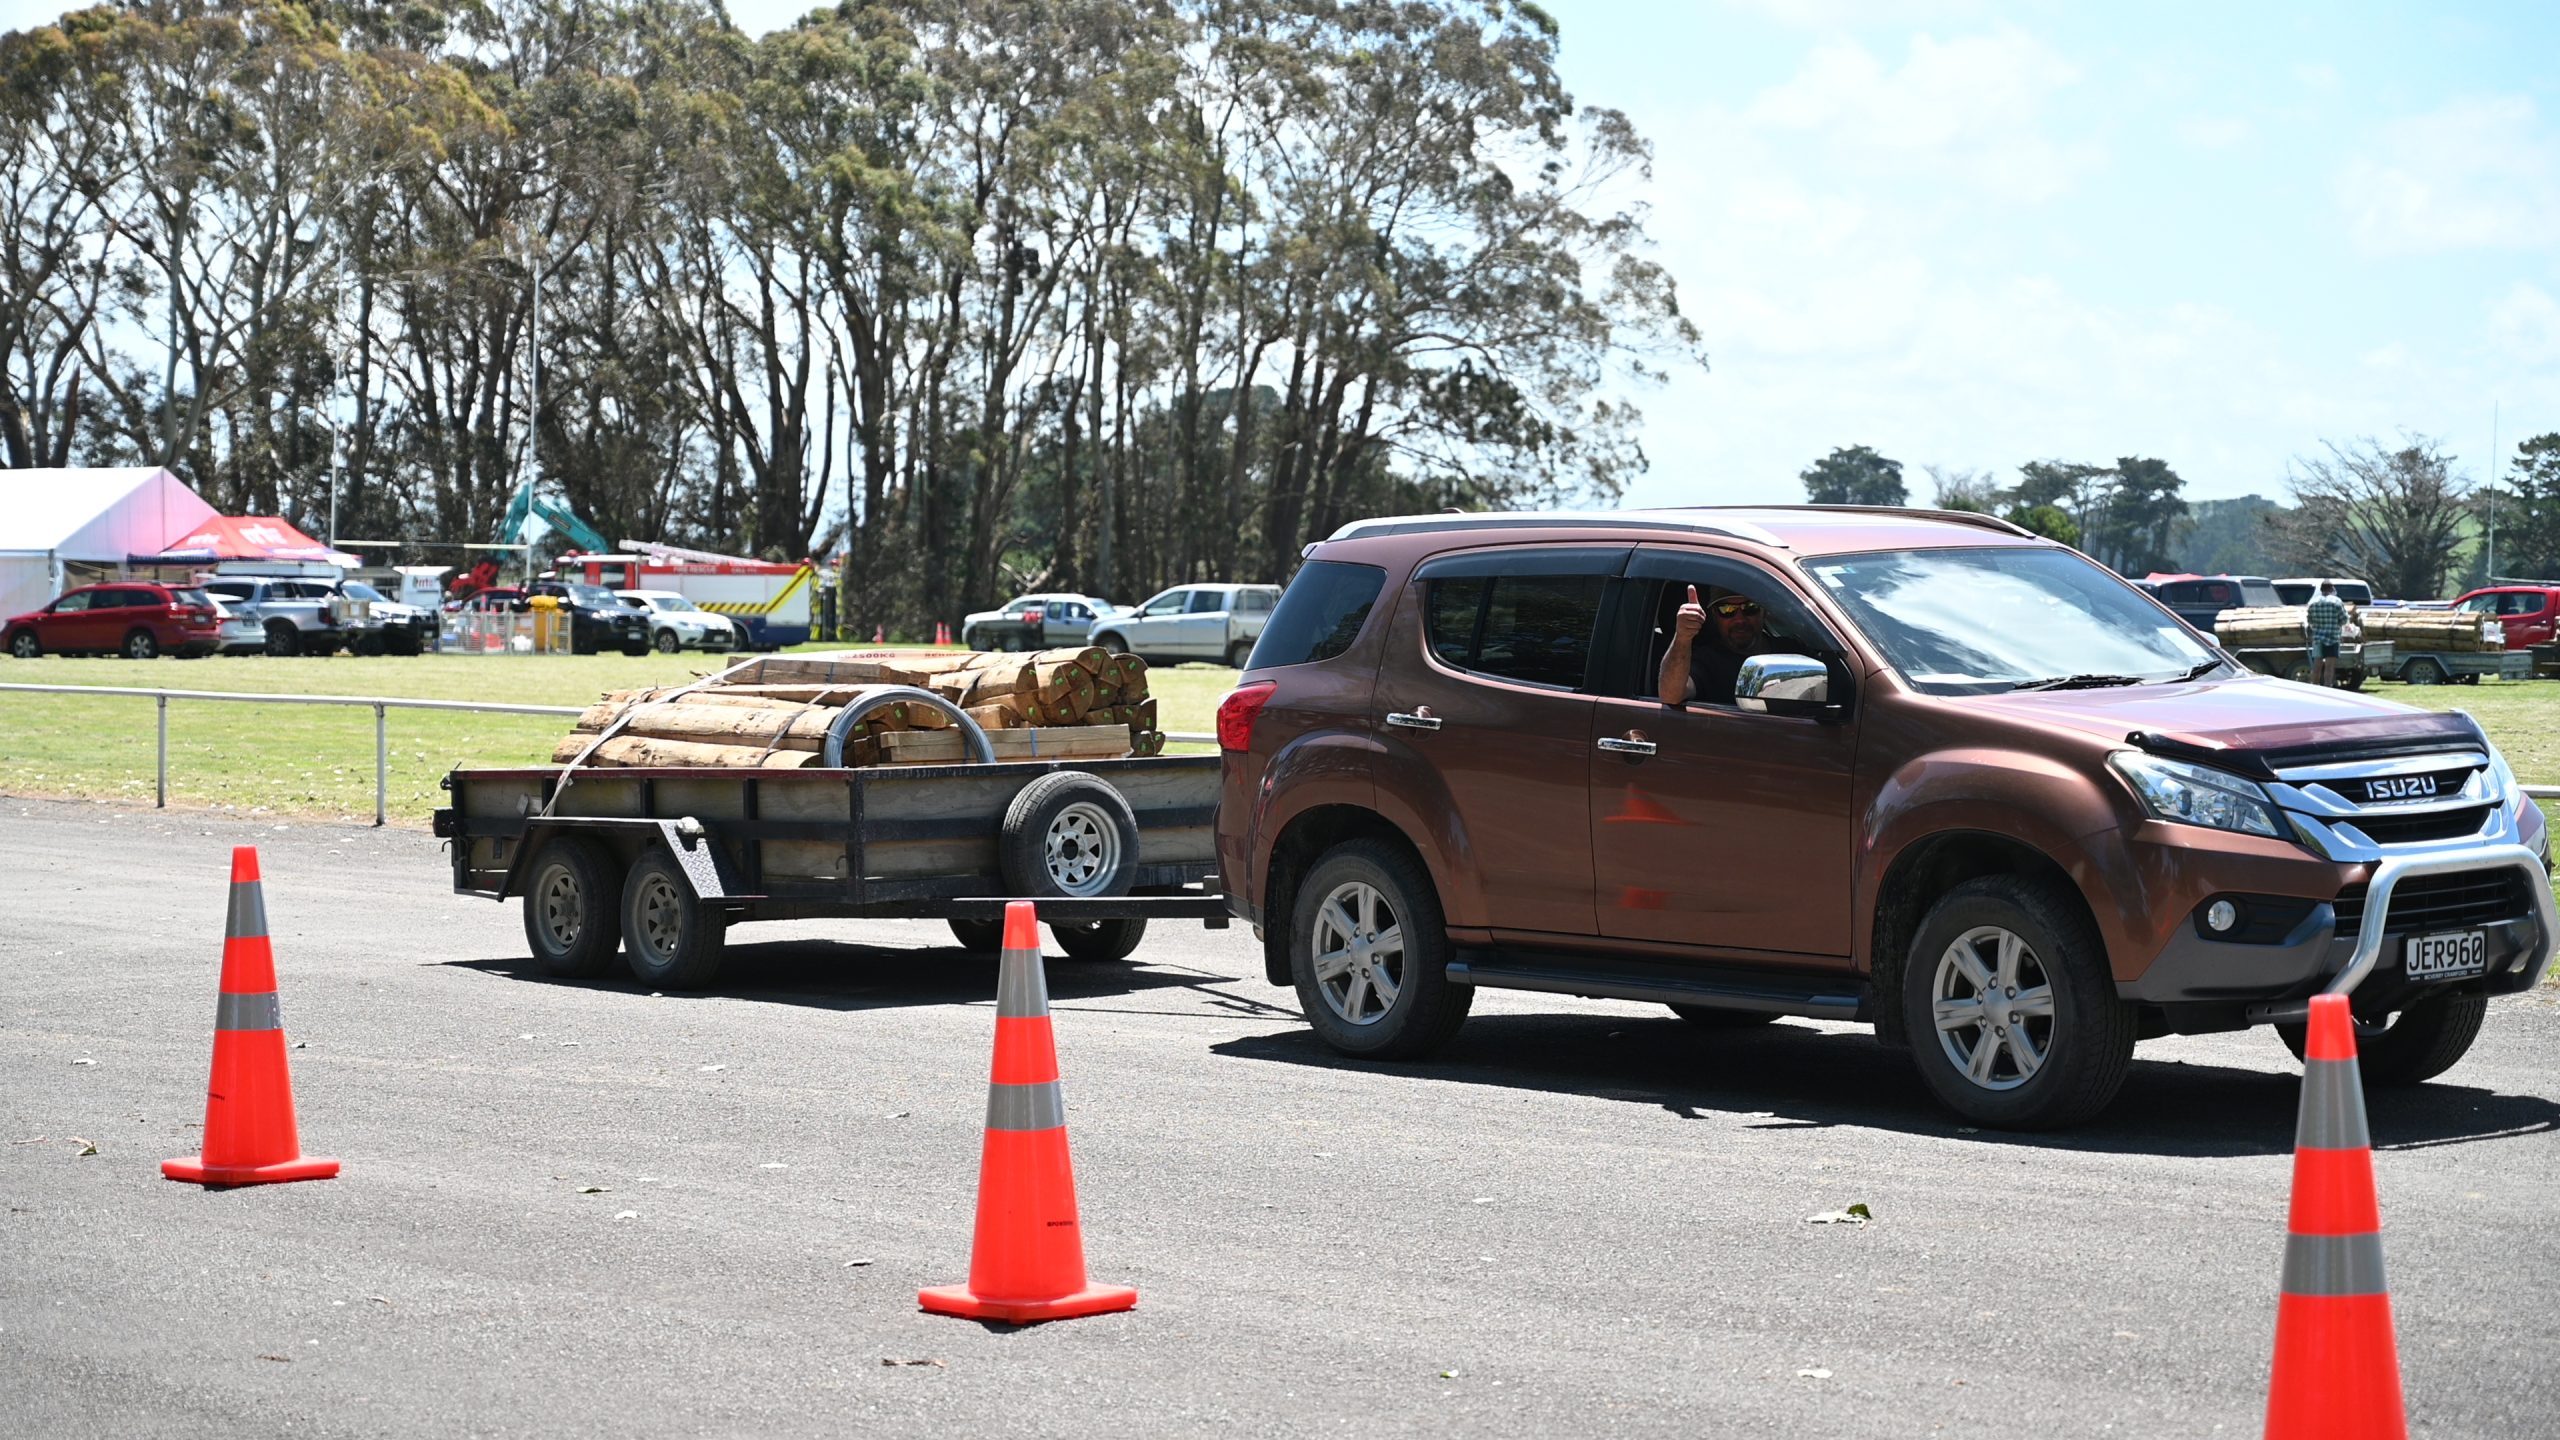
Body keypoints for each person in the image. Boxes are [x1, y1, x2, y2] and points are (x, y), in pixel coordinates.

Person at [1658, 584, 1774, 706]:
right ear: (1714, 615)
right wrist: (1682, 636)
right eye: (1726, 610)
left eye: (1750, 607)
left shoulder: (1786, 650)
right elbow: (1671, 696)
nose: (1740, 619)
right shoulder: (1706, 661)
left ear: (1764, 611)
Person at [2305, 580, 2348, 688]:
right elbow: (2344, 619)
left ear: (2321, 589)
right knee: (2329, 666)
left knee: (2317, 665)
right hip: (2333, 637)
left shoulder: (2313, 602)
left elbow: (2309, 620)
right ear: (2331, 588)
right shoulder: (2336, 601)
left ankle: (2314, 686)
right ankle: (2327, 686)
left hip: (2318, 637)